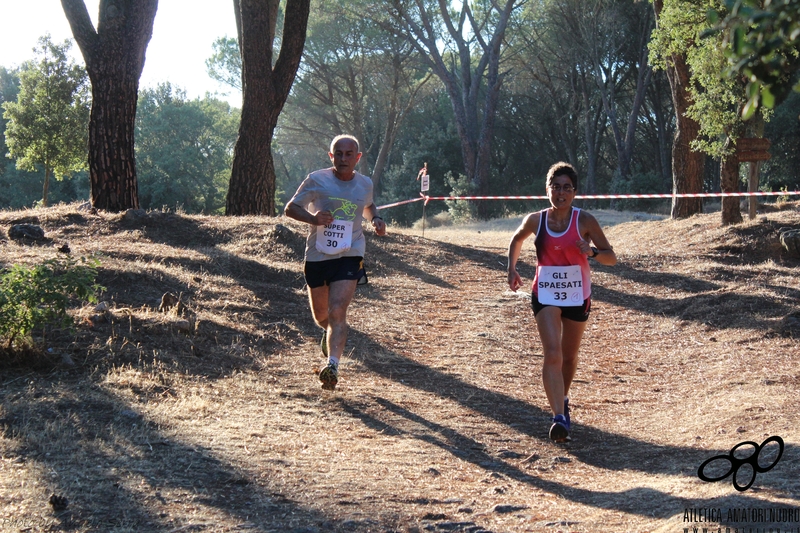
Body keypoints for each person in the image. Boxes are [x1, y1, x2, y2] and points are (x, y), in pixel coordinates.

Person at [507, 162, 616, 442]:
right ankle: (558, 418)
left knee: (568, 357)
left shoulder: (585, 221)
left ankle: (563, 399)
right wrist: (512, 267)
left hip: (577, 294)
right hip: (545, 293)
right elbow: (516, 239)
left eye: (567, 187)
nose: (561, 193)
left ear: (575, 192)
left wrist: (591, 252)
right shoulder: (536, 219)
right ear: (547, 190)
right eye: (556, 187)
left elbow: (611, 256)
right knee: (552, 353)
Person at [284, 134, 387, 390]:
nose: (343, 158)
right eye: (338, 154)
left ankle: (332, 366)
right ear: (331, 156)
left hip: (350, 252)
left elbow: (368, 205)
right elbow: (290, 208)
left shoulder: (364, 184)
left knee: (338, 310)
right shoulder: (317, 179)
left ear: (357, 157)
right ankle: (327, 333)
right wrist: (313, 218)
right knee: (322, 316)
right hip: (318, 255)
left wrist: (375, 219)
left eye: (348, 154)